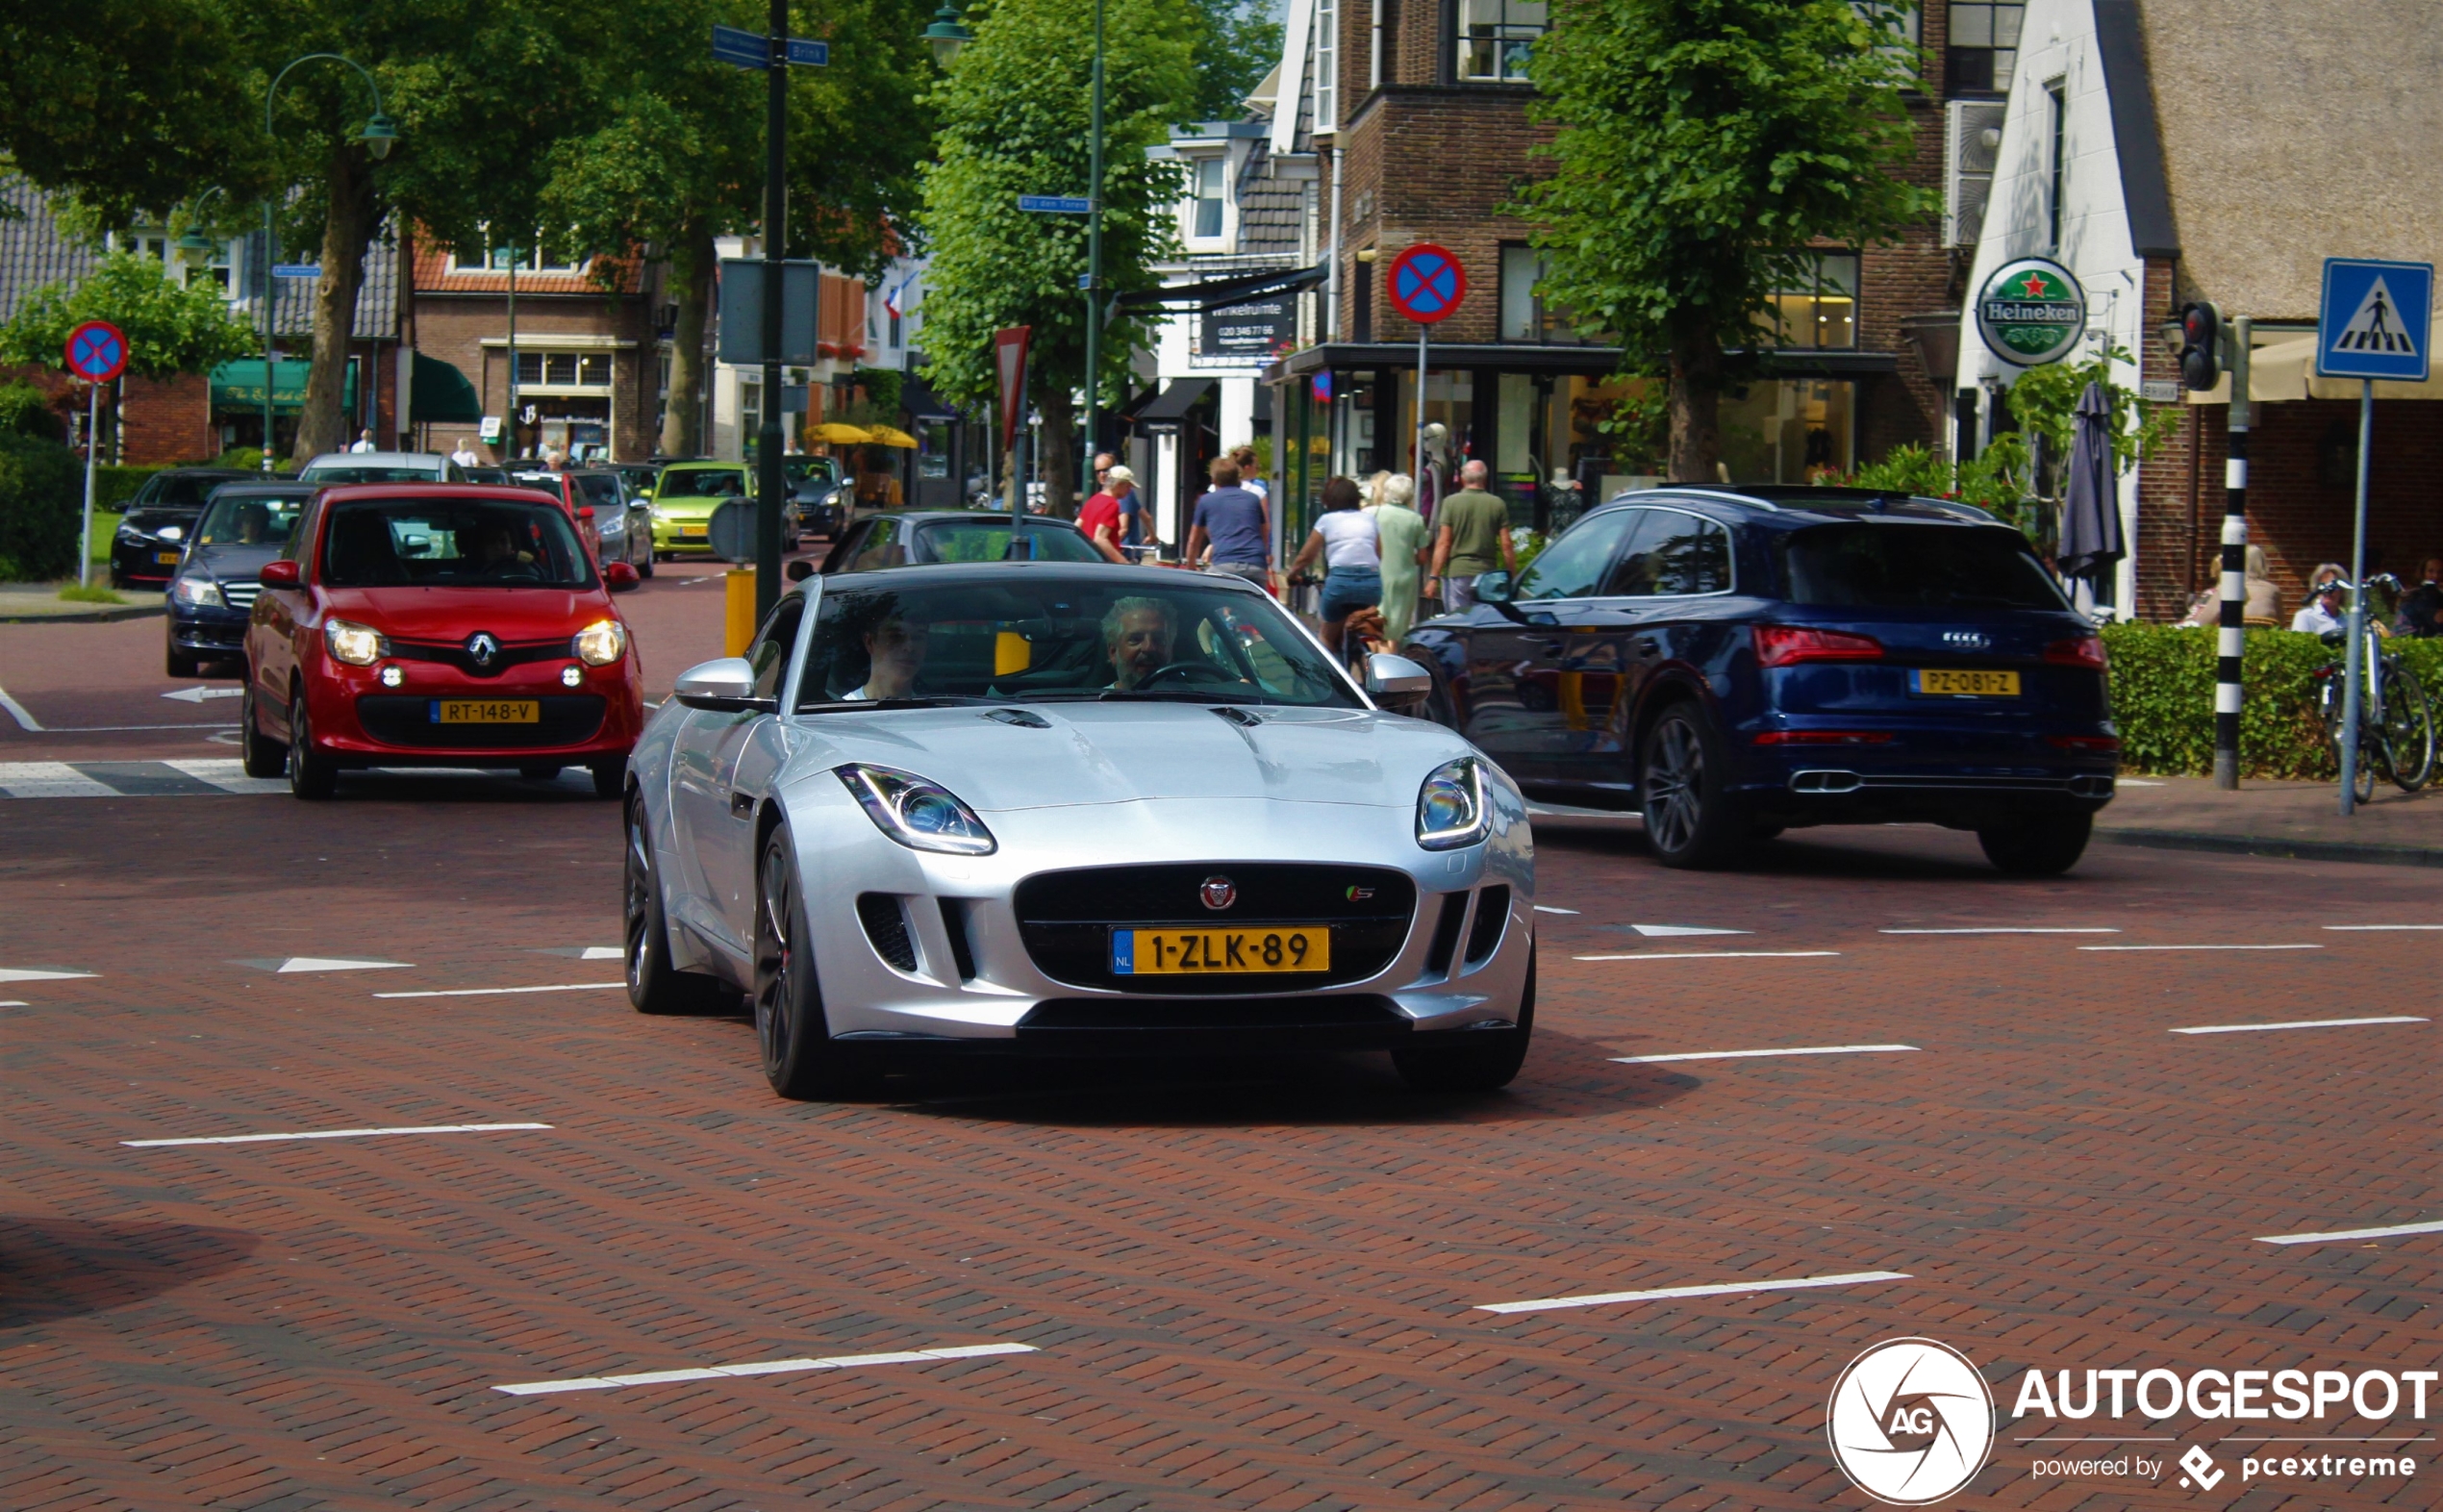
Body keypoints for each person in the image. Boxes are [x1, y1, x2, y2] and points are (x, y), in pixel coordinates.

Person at [1285, 476, 1379, 654]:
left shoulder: (1326, 520)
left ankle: (1332, 678)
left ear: (1329, 500)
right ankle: (1371, 659)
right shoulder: (1370, 519)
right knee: (1368, 627)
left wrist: (1292, 574)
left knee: (1326, 636)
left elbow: (1306, 556)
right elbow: (1378, 553)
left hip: (1340, 583)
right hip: (1371, 584)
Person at [1427, 459, 1516, 612]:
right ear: (1485, 479)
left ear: (1462, 479)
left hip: (1458, 571)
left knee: (1458, 622)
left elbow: (1444, 543)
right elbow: (1506, 545)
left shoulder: (1450, 503)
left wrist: (1433, 577)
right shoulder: (1497, 504)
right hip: (1486, 574)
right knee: (1482, 622)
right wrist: (1512, 577)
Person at [1185, 456, 1272, 590]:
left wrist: (1191, 567)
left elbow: (1194, 541)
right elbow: (1265, 532)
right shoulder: (1253, 499)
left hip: (1224, 565)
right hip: (1255, 565)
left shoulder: (1205, 501)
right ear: (1238, 478)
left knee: (1209, 602)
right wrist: (1262, 556)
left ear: (1214, 481)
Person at [1373, 473, 1430, 643]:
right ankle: (1393, 658)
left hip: (1378, 575)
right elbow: (1422, 557)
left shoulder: (1374, 514)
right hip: (1405, 577)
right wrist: (1405, 553)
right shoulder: (1416, 520)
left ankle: (1373, 662)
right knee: (1398, 628)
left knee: (1375, 624)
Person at [844, 611, 926, 700]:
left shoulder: (936, 709)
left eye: (918, 637)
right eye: (896, 636)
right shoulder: (841, 711)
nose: (909, 647)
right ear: (870, 642)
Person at [1103, 595, 1175, 691]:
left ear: (1170, 650)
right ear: (1113, 652)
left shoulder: (1192, 702)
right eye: (1136, 639)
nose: (1149, 647)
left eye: (1159, 639)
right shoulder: (1092, 704)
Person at [1077, 466, 1139, 564]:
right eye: (1128, 486)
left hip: (1086, 560)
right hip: (1102, 563)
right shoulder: (1112, 504)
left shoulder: (1093, 499)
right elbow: (1100, 538)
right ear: (1118, 485)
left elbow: (1077, 527)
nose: (1129, 490)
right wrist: (1124, 563)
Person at [2394, 556, 2443, 638]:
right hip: (2409, 642)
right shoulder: (2419, 594)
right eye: (2431, 571)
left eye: (2440, 572)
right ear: (2423, 573)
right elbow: (2438, 620)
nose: (2436, 576)